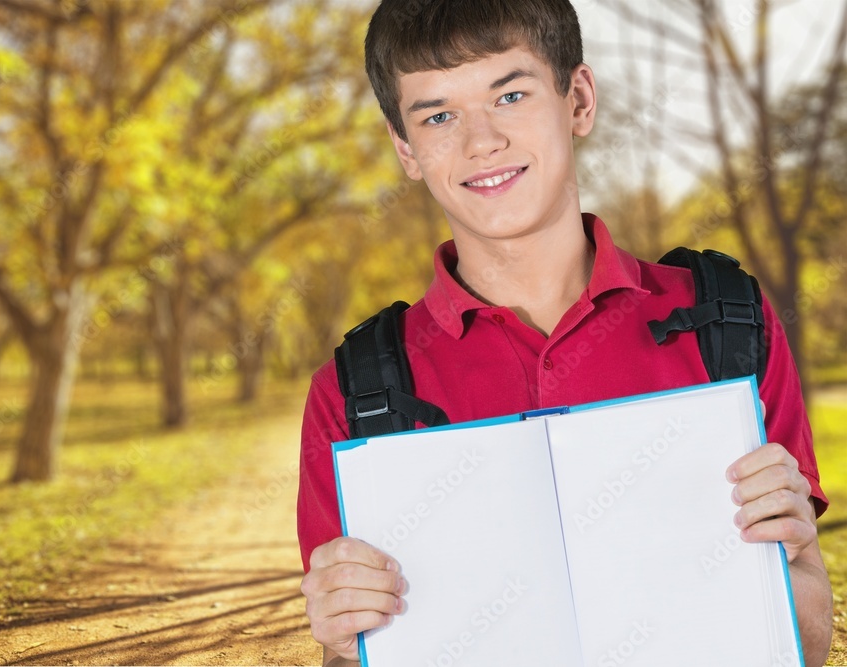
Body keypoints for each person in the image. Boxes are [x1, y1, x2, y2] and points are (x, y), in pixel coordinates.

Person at [296, 1, 833, 665]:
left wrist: (798, 548)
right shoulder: (354, 392)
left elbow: (806, 638)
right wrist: (345, 646)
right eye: (438, 116)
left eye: (511, 94)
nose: (480, 141)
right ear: (405, 146)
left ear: (577, 99)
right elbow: (355, 655)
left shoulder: (726, 322)